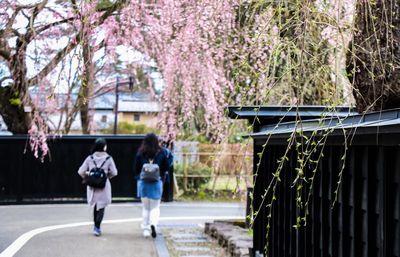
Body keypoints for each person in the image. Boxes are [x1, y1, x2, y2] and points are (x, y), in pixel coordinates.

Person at [78, 138, 118, 236]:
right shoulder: (108, 158)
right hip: (103, 185)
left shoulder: (90, 158)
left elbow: (80, 171)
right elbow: (114, 172)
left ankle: (96, 226)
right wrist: (106, 176)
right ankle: (97, 227)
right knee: (101, 206)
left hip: (92, 186)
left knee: (95, 205)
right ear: (104, 147)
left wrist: (88, 176)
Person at [135, 133, 169, 238]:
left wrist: (139, 177)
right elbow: (166, 167)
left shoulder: (141, 153)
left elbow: (135, 169)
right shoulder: (162, 152)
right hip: (156, 183)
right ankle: (153, 224)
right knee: (155, 207)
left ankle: (145, 230)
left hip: (143, 183)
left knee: (146, 208)